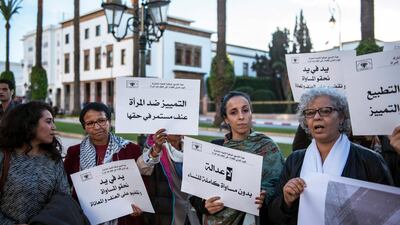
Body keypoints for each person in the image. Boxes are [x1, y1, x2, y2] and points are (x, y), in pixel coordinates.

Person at [268, 87, 393, 225]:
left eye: (325, 111)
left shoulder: (370, 160)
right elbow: (274, 216)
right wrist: (286, 200)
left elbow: (389, 212)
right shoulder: (294, 160)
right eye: (310, 113)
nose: (316, 117)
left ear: (342, 116)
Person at [196, 91, 285, 225]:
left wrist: (265, 197)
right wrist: (204, 205)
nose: (241, 117)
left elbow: (280, 188)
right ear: (226, 119)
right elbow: (196, 191)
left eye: (245, 110)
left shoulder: (268, 147)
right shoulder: (215, 149)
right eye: (233, 112)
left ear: (251, 112)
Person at [64, 102, 144, 225]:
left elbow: (141, 184)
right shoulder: (75, 152)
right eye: (90, 123)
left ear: (109, 122)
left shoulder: (130, 149)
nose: (97, 127)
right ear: (84, 127)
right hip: (85, 219)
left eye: (101, 120)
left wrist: (139, 204)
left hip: (124, 219)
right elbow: (65, 186)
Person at [0, 101, 70, 224]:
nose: (54, 127)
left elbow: (63, 199)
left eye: (53, 121)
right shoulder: (4, 156)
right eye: (48, 121)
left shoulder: (53, 158)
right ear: (29, 124)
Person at [137, 129, 201, 225]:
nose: (177, 130)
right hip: (165, 214)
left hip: (189, 212)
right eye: (172, 127)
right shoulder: (153, 147)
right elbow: (142, 168)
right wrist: (156, 150)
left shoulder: (193, 148)